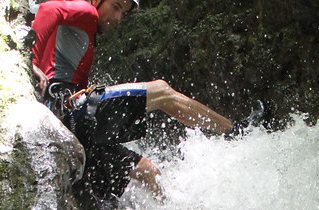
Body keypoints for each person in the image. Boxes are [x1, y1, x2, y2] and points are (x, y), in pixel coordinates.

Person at [30, 0, 234, 199]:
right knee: (161, 91)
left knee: (147, 171)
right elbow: (49, 8)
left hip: (75, 129)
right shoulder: (87, 11)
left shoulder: (83, 28)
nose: (118, 18)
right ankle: (233, 132)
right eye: (115, 7)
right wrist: (32, 59)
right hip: (69, 111)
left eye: (123, 13)